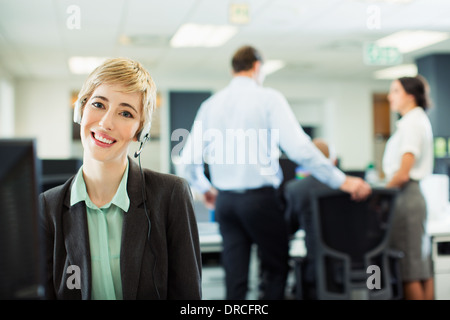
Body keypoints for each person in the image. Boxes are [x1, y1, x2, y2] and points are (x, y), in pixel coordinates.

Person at [179, 45, 371, 300]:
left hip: (226, 203)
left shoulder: (210, 105)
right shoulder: (268, 98)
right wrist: (341, 180)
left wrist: (205, 189)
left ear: (232, 69)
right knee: (275, 269)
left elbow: (187, 161)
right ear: (258, 67)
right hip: (260, 201)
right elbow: (301, 149)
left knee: (235, 277)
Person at [39, 57, 202, 300]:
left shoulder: (171, 194)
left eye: (125, 113)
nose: (106, 123)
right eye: (98, 104)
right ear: (80, 110)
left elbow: (188, 297)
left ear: (140, 131)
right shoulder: (47, 207)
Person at [382, 75, 434, 300]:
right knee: (419, 267)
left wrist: (380, 194)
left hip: (406, 197)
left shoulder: (412, 123)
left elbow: (403, 173)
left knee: (409, 269)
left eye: (395, 91)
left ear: (410, 96)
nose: (389, 96)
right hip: (412, 197)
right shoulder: (415, 120)